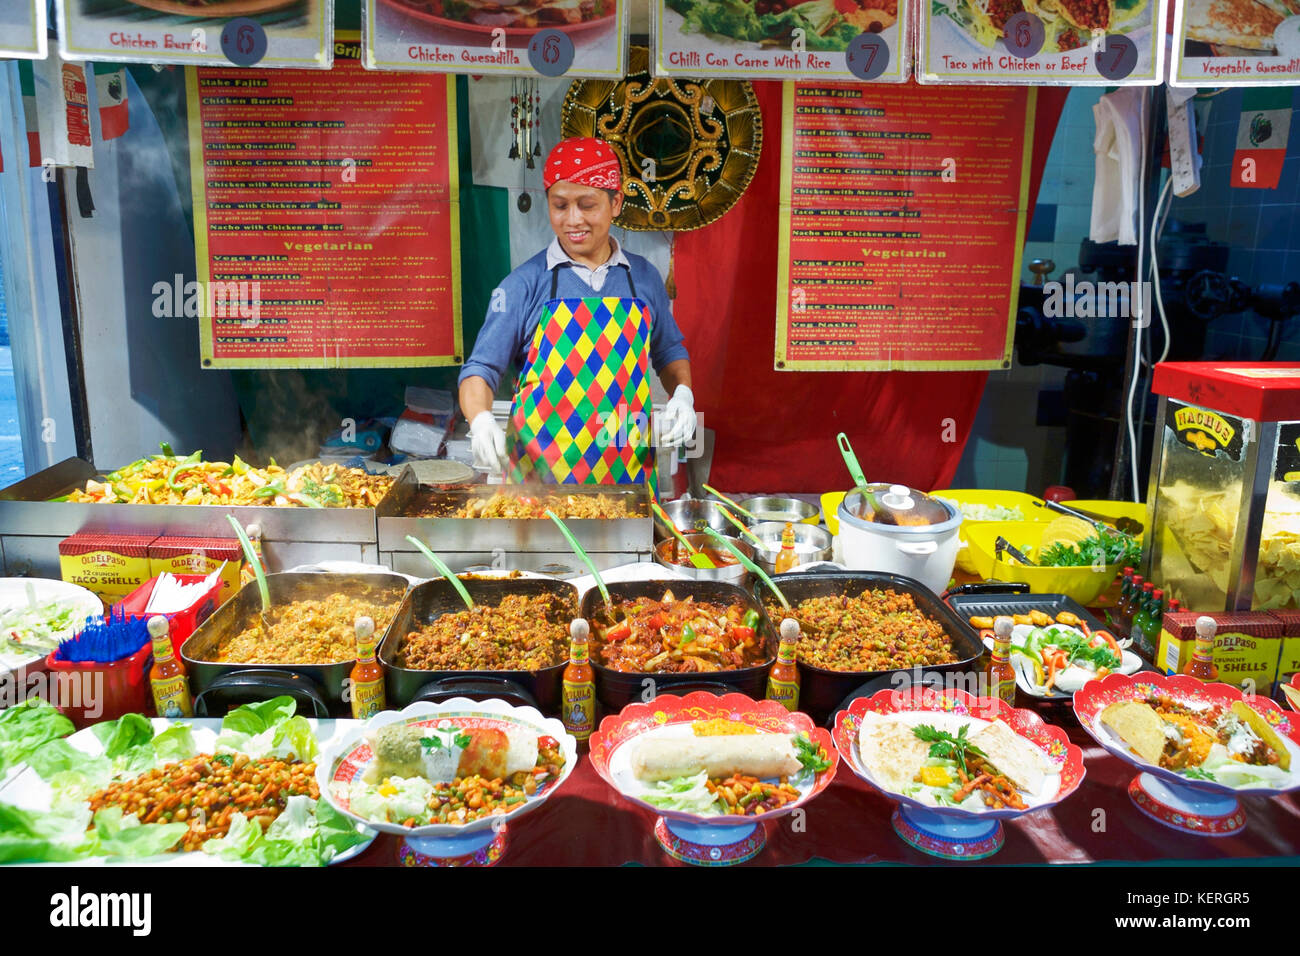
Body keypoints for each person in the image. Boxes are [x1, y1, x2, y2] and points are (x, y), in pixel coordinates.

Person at [457, 137, 696, 490]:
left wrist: (684, 395)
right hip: (539, 484)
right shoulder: (524, 284)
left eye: (587, 205)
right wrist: (479, 419)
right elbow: (480, 368)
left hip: (626, 477)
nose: (573, 220)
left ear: (615, 203)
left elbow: (670, 352)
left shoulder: (643, 278)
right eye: (560, 205)